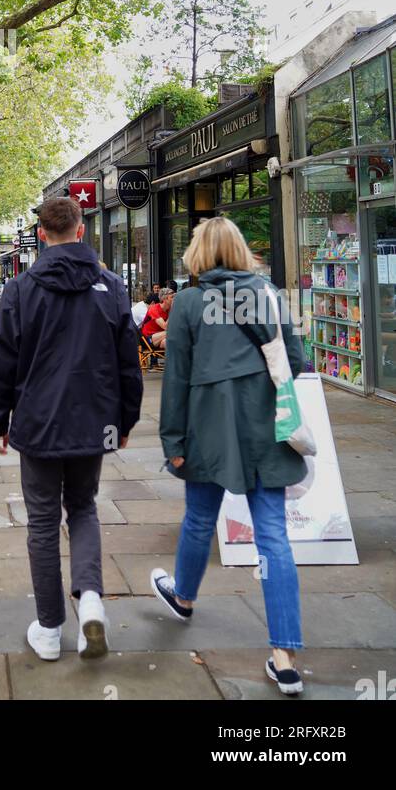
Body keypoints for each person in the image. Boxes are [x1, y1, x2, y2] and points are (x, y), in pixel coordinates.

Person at [151, 216, 308, 696]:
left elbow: (175, 377)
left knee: (200, 518)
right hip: (267, 428)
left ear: (199, 254)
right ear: (240, 250)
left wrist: (172, 442)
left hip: (208, 431)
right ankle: (285, 656)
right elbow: (297, 360)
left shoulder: (190, 303)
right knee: (274, 536)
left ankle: (183, 597)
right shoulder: (268, 295)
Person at [0, 196, 143, 662]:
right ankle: (90, 598)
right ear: (81, 231)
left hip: (37, 424)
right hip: (94, 423)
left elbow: (3, 363)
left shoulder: (20, 290)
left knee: (42, 521)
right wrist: (126, 419)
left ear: (41, 236)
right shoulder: (112, 288)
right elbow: (127, 364)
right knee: (83, 508)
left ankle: (50, 629)